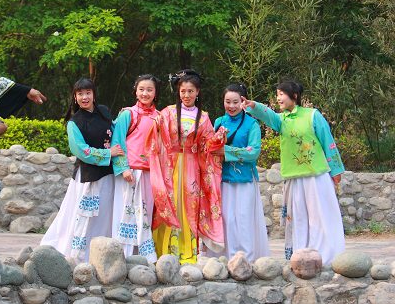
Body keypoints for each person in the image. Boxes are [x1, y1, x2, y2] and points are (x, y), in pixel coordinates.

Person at [242, 80, 345, 265]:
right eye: (277, 94)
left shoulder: (312, 115)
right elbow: (268, 115)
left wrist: (336, 170)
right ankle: (301, 255)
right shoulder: (281, 120)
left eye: (281, 94)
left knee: (320, 216)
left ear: (294, 96)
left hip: (316, 177)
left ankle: (327, 256)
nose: (278, 98)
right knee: (299, 219)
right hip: (294, 178)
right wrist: (253, 105)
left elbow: (328, 141)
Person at [146, 69, 226, 264]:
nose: (186, 95)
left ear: (197, 92)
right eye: (183, 91)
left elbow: (207, 145)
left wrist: (217, 139)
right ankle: (164, 250)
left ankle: (186, 252)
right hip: (170, 165)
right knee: (169, 202)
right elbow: (155, 134)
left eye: (190, 91)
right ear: (178, 92)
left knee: (189, 206)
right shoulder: (168, 112)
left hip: (192, 166)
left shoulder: (204, 117)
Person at [41, 77, 124, 261]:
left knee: (105, 215)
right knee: (84, 217)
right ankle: (78, 256)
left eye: (88, 92)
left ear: (94, 94)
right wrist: (108, 153)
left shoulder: (104, 111)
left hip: (108, 175)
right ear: (75, 97)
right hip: (88, 178)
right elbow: (80, 150)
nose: (84, 97)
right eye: (80, 94)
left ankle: (102, 256)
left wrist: (124, 117)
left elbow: (114, 130)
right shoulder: (74, 122)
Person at [215, 83, 269, 262]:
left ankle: (247, 260)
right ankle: (228, 259)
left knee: (244, 219)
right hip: (224, 179)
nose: (231, 106)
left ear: (243, 102)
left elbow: (253, 152)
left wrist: (226, 151)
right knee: (227, 220)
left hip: (245, 179)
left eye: (235, 102)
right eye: (227, 101)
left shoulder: (252, 124)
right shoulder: (219, 122)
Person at [111, 74, 161, 262]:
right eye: (141, 89)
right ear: (135, 91)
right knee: (126, 211)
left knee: (145, 213)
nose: (145, 93)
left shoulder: (160, 117)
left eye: (149, 90)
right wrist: (123, 168)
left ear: (155, 93)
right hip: (130, 172)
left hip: (150, 173)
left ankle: (142, 257)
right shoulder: (128, 114)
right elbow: (117, 141)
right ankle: (122, 256)